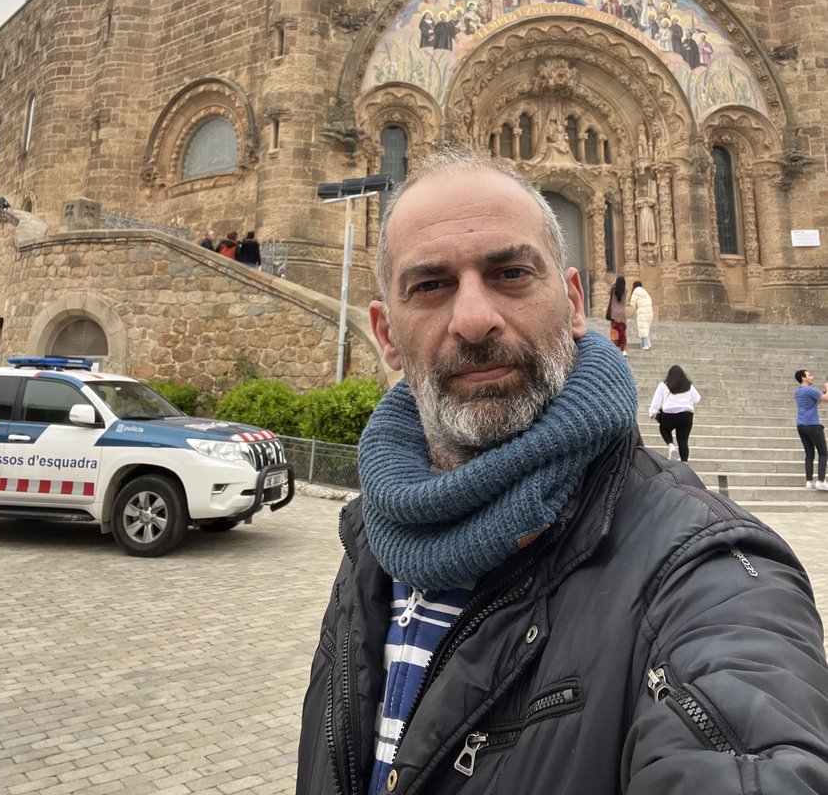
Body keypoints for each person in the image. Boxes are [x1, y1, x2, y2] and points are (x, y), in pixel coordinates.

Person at [296, 148, 828, 794]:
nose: (473, 318)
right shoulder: (374, 542)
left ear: (575, 301)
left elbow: (751, 729)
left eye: (512, 273)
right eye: (431, 284)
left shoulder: (706, 572)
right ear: (384, 332)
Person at [649, 364, 701, 461]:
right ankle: (684, 462)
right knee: (683, 440)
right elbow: (697, 399)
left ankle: (671, 445)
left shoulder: (663, 385)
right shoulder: (689, 386)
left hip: (669, 415)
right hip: (686, 415)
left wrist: (652, 412)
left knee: (664, 429)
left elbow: (656, 400)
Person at [794, 369, 828, 490]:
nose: (812, 377)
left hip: (801, 425)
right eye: (810, 375)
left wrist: (823, 393)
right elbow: (825, 399)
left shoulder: (798, 392)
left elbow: (816, 400)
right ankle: (821, 480)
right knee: (823, 453)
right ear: (803, 378)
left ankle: (809, 481)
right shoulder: (810, 390)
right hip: (812, 424)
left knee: (809, 453)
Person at [606, 274, 628, 354]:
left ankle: (615, 348)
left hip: (614, 314)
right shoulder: (625, 291)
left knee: (615, 331)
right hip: (622, 315)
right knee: (622, 332)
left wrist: (614, 283)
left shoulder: (613, 289)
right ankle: (624, 349)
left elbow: (608, 291)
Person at [629, 278, 653, 349]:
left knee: (643, 328)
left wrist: (630, 311)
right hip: (649, 312)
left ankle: (647, 344)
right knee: (645, 328)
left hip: (642, 312)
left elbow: (632, 302)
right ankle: (643, 344)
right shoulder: (645, 292)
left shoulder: (636, 291)